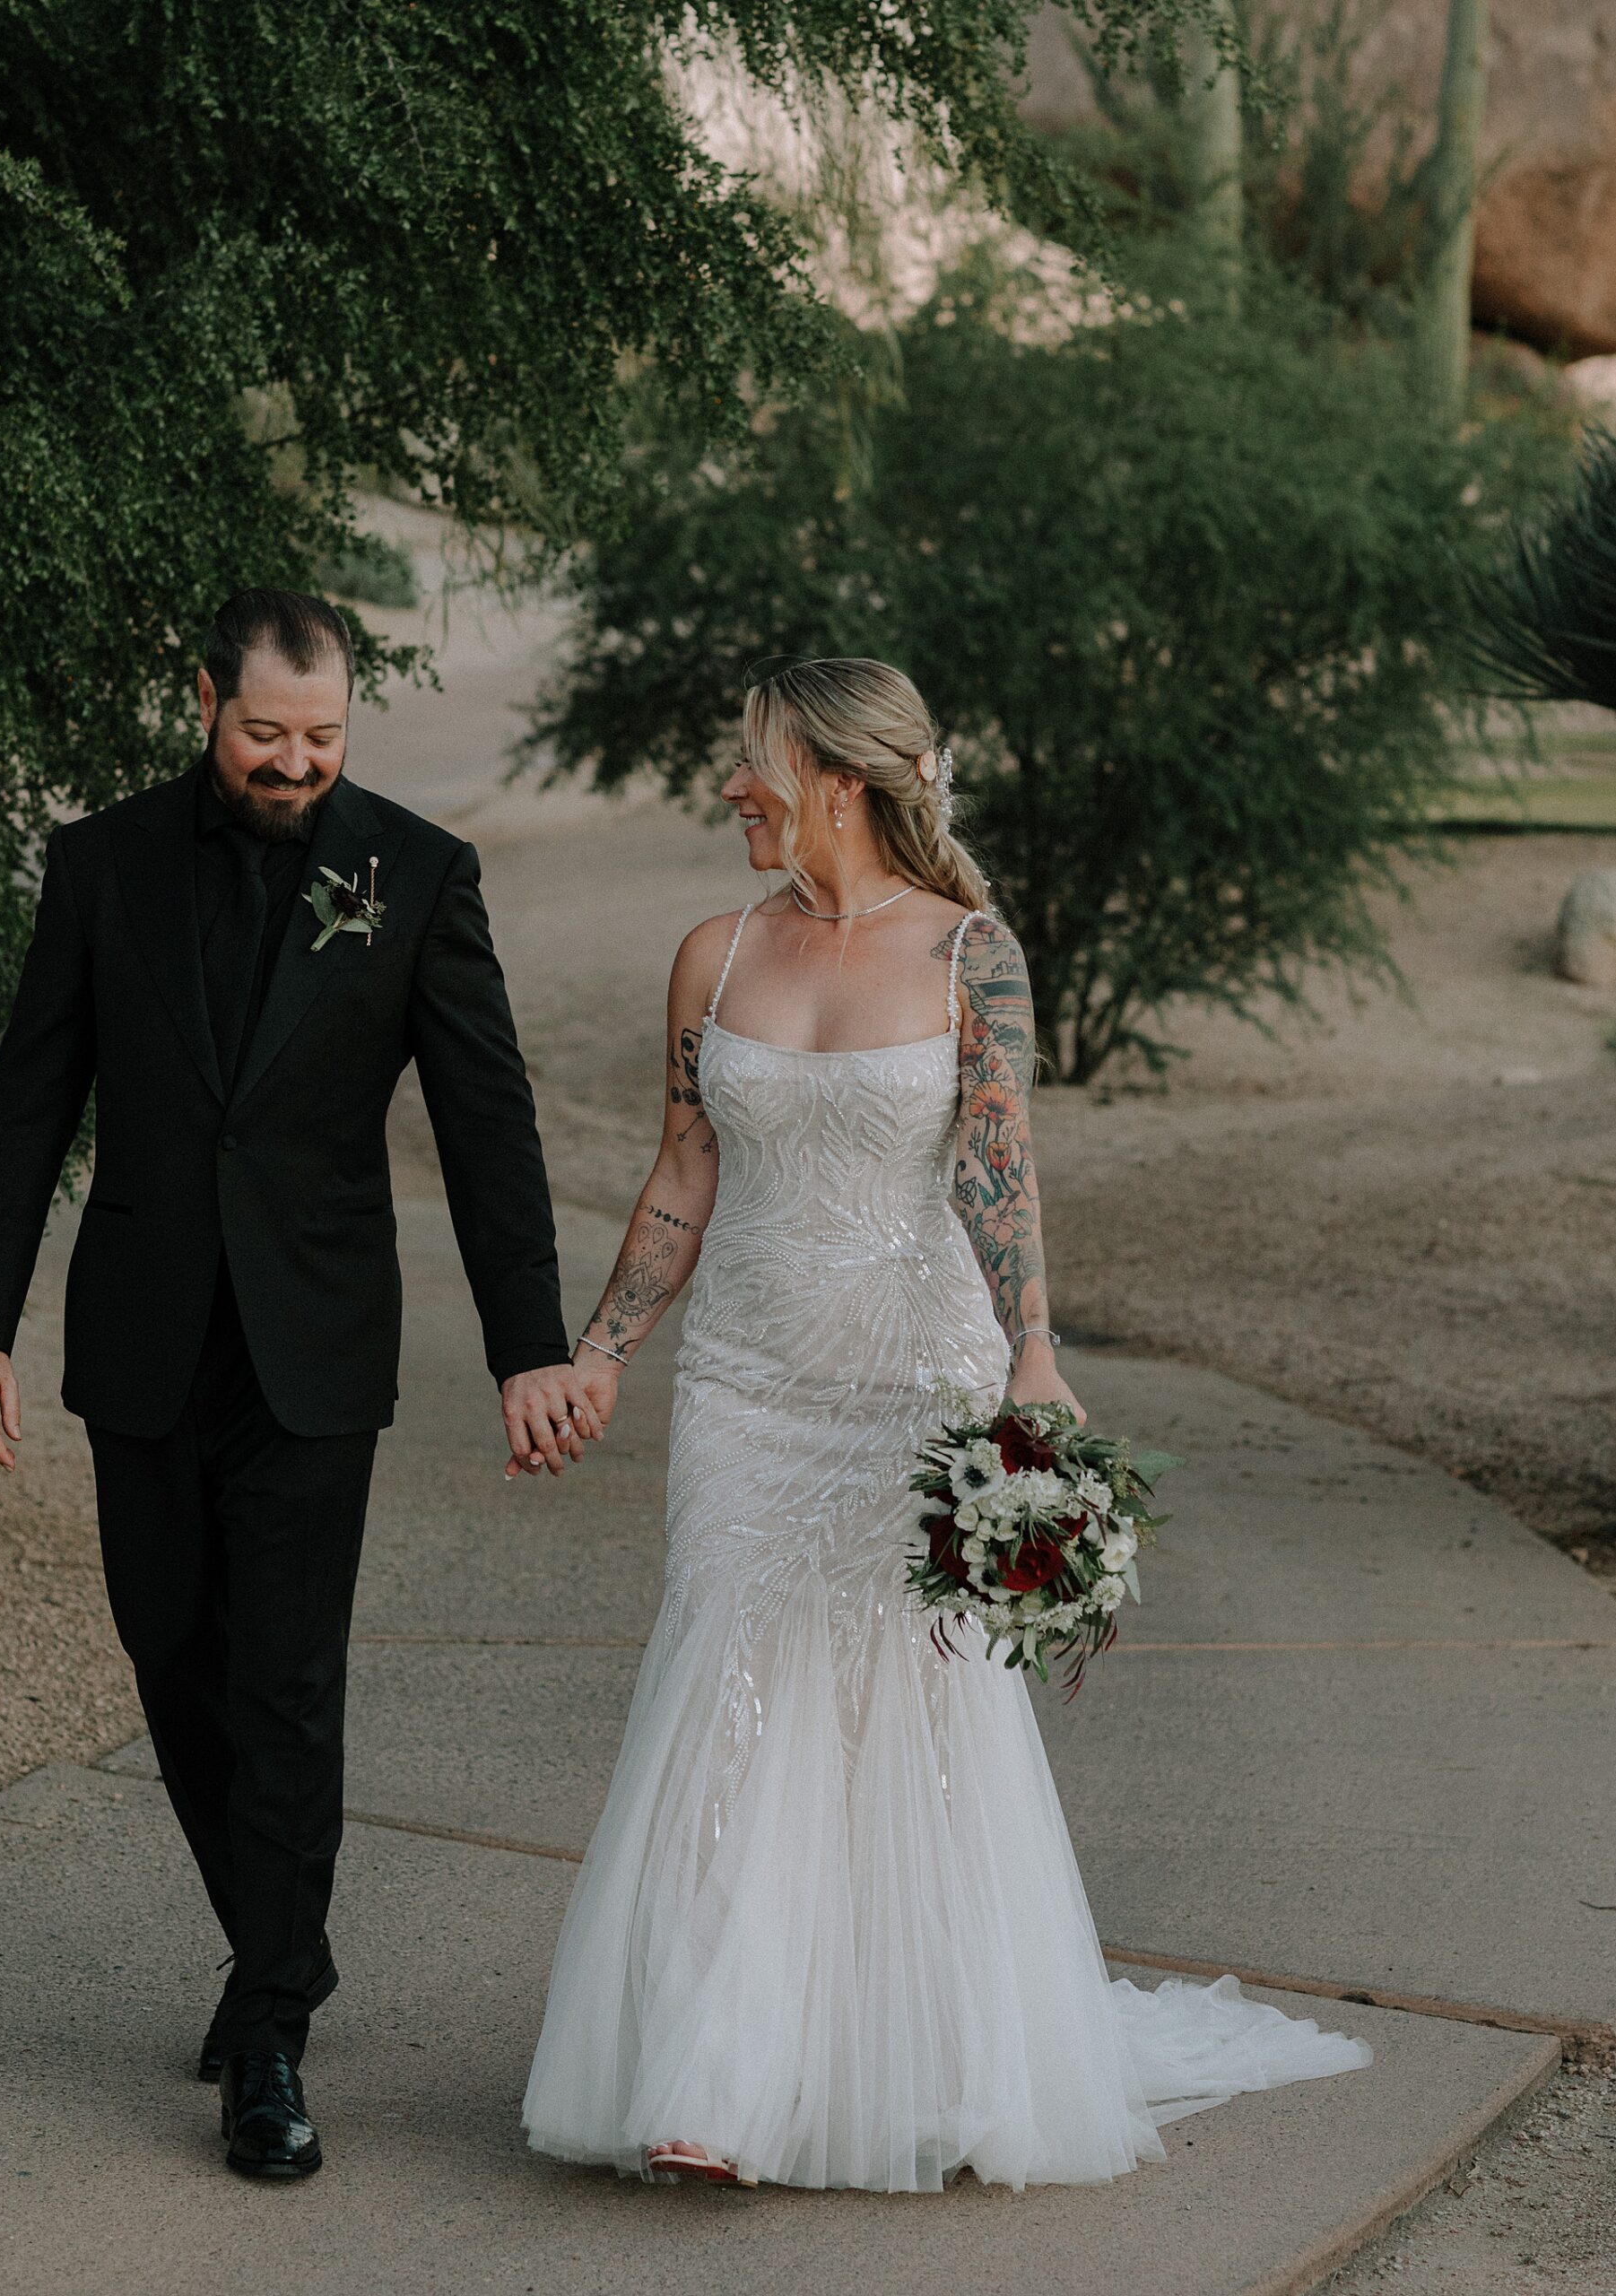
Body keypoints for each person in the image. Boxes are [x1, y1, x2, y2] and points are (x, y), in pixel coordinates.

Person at [522, 657, 1370, 2191]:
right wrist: (601, 1355)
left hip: (914, 1382)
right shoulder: (713, 957)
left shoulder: (969, 954)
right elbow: (679, 1175)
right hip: (745, 1389)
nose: (732, 786)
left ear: (836, 785)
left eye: (753, 765)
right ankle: (714, 2075)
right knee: (731, 1680)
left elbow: (997, 1165)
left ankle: (930, 2055)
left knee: (907, 1718)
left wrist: (1033, 1355)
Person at [0, 589, 599, 2180]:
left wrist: (530, 1347)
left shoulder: (419, 873)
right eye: (265, 735)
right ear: (207, 706)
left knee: (287, 1677)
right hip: (147, 1332)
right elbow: (33, 1103)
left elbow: (487, 1126)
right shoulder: (100, 865)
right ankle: (276, 1951)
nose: (296, 763)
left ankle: (274, 2025)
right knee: (171, 1651)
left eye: (322, 738)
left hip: (316, 1341)